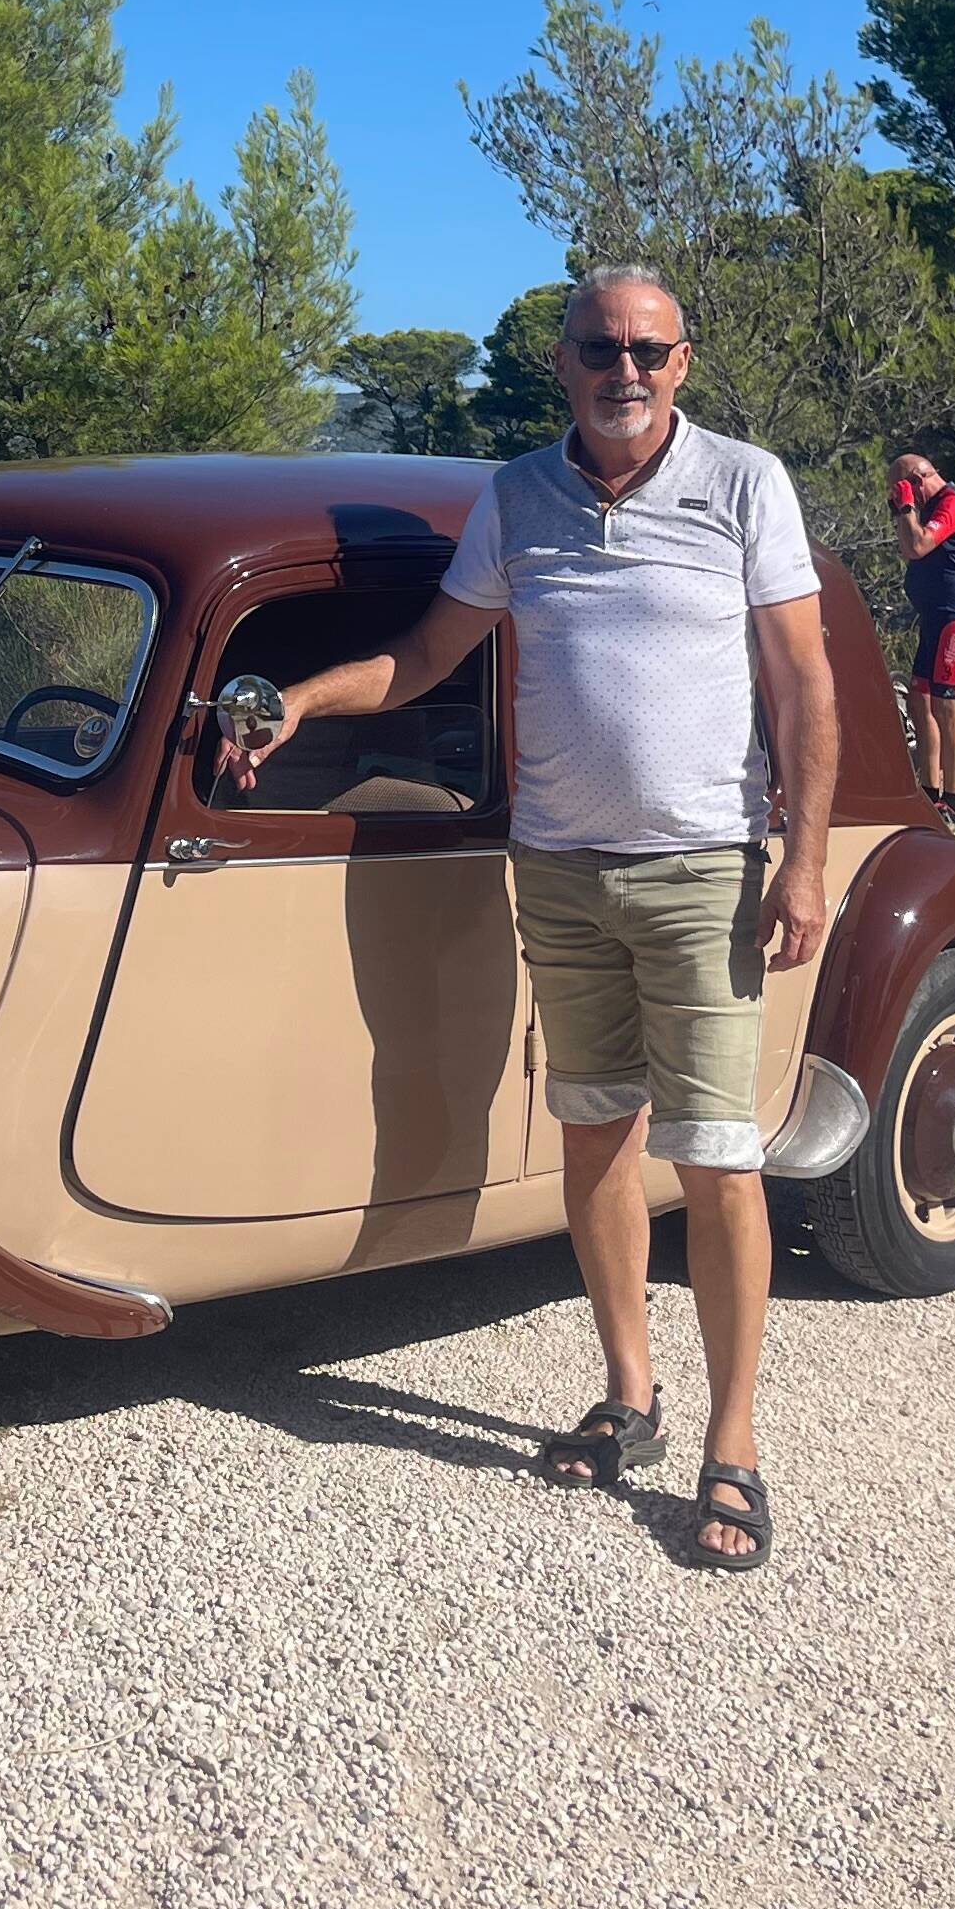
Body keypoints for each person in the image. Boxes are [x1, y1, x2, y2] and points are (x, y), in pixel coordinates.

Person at [232, 264, 834, 1572]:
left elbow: (802, 679)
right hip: (558, 868)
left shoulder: (743, 485)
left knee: (720, 1156)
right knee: (594, 1129)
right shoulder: (519, 497)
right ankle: (634, 1398)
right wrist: (295, 703)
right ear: (562, 361)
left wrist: (804, 862)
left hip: (703, 867)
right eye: (602, 348)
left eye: (651, 351)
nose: (627, 370)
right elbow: (427, 656)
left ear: (685, 362)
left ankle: (734, 1450)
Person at [888, 448, 955, 817]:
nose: (895, 499)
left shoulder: (953, 503)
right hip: (934, 616)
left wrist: (906, 508)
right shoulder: (924, 510)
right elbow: (907, 548)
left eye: (897, 490)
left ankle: (954, 799)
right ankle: (929, 791)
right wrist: (907, 512)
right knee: (919, 701)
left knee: (948, 706)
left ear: (915, 481)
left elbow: (918, 545)